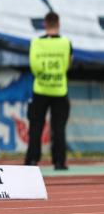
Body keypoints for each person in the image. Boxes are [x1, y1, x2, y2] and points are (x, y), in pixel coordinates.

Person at [25, 12, 71, 170]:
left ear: (45, 24)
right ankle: (59, 162)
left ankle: (32, 160)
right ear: (58, 24)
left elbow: (34, 66)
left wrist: (44, 75)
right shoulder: (65, 43)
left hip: (40, 89)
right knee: (59, 128)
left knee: (36, 126)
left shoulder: (36, 43)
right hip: (59, 90)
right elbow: (67, 65)